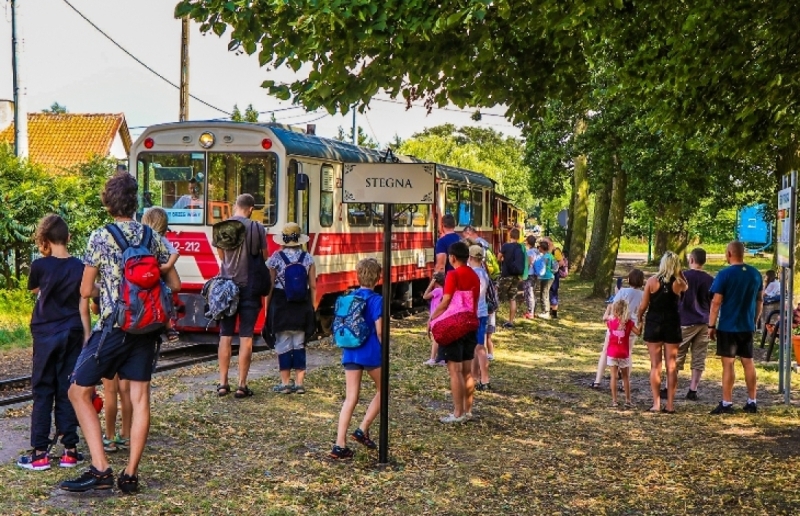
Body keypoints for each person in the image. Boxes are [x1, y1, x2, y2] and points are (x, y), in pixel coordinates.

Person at [61, 171, 179, 493]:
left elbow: (86, 290)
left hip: (113, 326)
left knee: (77, 390)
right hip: (148, 328)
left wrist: (106, 286)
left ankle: (100, 469)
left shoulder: (100, 236)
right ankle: (130, 475)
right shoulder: (150, 236)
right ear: (135, 201)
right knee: (140, 398)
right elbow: (175, 284)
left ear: (108, 202)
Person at [17, 215, 89, 471]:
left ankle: (39, 454)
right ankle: (70, 451)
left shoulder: (39, 266)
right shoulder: (80, 266)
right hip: (72, 332)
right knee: (67, 390)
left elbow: (35, 290)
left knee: (42, 390)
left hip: (45, 334)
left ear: (45, 240)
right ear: (69, 238)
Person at [213, 194, 269, 399]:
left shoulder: (221, 226)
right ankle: (241, 385)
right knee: (246, 337)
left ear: (235, 206)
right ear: (251, 208)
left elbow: (221, 256)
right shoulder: (256, 228)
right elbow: (264, 256)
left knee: (225, 335)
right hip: (250, 288)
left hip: (226, 288)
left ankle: (222, 383)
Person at [330, 258, 384, 460]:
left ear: (358, 275)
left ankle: (339, 444)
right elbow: (380, 331)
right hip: (370, 352)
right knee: (383, 390)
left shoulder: (350, 297)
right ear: (377, 278)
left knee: (350, 397)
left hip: (350, 351)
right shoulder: (377, 300)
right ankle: (362, 428)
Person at [708, 241, 763, 414]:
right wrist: (754, 320)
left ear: (730, 253)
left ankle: (727, 402)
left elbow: (716, 302)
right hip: (747, 325)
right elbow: (760, 300)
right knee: (748, 362)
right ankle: (752, 400)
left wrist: (711, 325)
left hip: (728, 325)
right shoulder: (755, 274)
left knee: (728, 364)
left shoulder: (724, 274)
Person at [429, 241, 480, 423]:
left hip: (454, 326)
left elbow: (446, 301)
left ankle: (457, 413)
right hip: (470, 324)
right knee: (467, 371)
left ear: (452, 257)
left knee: (454, 371)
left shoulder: (453, 275)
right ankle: (468, 410)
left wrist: (432, 319)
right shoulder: (474, 275)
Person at [266, 222, 317, 394]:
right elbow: (313, 286)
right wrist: (313, 306)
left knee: (283, 345)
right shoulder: (308, 258)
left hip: (281, 304)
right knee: (299, 344)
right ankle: (300, 384)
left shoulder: (276, 258)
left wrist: (268, 308)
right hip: (302, 305)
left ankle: (285, 383)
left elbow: (270, 286)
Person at [636, 252, 687, 414]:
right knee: (671, 366)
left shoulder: (651, 281)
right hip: (672, 324)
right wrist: (679, 272)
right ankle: (670, 405)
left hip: (654, 323)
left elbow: (643, 305)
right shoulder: (679, 283)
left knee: (655, 366)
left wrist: (639, 317)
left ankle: (656, 403)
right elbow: (687, 286)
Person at [671, 248, 714, 400]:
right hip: (703, 321)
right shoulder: (710, 279)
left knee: (677, 355)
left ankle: (670, 387)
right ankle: (693, 389)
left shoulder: (683, 277)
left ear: (691, 260)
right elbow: (713, 301)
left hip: (685, 320)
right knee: (699, 356)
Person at [591, 269, 645, 389]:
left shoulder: (623, 291)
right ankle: (624, 384)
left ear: (629, 279)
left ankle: (597, 381)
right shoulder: (642, 294)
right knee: (628, 353)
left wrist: (617, 293)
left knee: (606, 350)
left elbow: (615, 306)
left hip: (617, 325)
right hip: (632, 326)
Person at [141, 207, 180, 342]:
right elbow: (175, 252)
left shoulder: (139, 237)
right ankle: (169, 326)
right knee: (163, 293)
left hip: (144, 277)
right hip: (154, 275)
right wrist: (168, 265)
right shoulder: (160, 239)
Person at [605, 299, 641, 407]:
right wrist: (641, 323)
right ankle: (628, 400)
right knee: (625, 377)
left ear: (615, 311)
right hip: (624, 353)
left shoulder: (611, 322)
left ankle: (614, 400)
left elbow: (606, 319)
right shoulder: (629, 323)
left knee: (613, 376)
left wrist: (608, 309)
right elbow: (638, 332)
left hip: (612, 353)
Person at [468, 245, 492, 391]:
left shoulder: (473, 274)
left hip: (475, 313)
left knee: (479, 347)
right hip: (482, 312)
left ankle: (484, 379)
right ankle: (475, 376)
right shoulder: (483, 273)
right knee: (476, 346)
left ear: (470, 258)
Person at [497, 228, 525, 328]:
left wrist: (504, 259)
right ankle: (510, 322)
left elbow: (498, 258)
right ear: (518, 237)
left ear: (510, 235)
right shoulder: (521, 247)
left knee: (497, 296)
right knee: (512, 298)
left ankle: (492, 319)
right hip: (516, 276)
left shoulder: (505, 246)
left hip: (506, 275)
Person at [422, 272, 447, 366]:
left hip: (435, 318)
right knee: (441, 338)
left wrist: (431, 283)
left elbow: (425, 296)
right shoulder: (445, 290)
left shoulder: (437, 291)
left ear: (436, 281)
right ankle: (442, 358)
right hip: (442, 317)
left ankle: (432, 359)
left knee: (436, 339)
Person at [532, 239, 558, 319]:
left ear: (542, 248)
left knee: (544, 294)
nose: (538, 248)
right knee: (544, 293)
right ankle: (545, 311)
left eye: (539, 247)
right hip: (549, 276)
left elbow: (542, 268)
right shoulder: (549, 255)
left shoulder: (545, 257)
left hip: (547, 277)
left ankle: (546, 312)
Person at [523, 235, 539, 319]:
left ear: (528, 242)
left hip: (529, 274)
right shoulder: (536, 251)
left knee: (529, 293)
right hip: (535, 274)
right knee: (533, 292)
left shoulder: (529, 252)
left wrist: (525, 272)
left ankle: (530, 312)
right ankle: (533, 310)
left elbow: (529, 262)